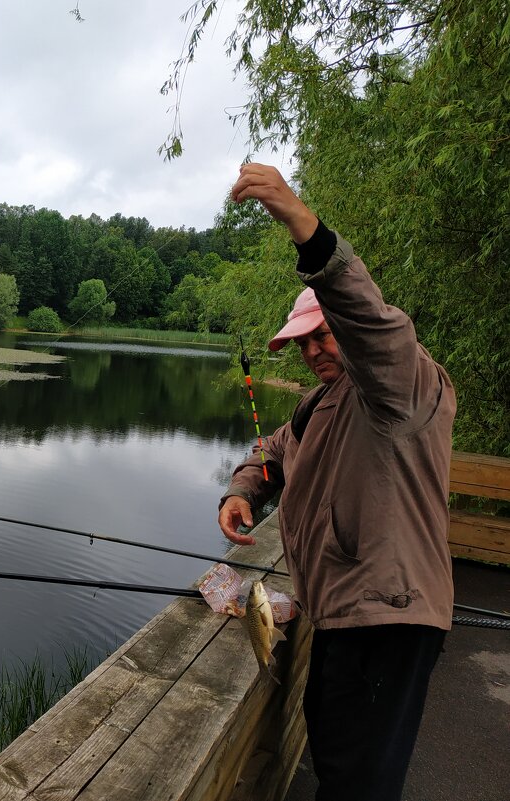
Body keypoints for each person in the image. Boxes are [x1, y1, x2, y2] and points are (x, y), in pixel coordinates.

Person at [217, 164, 456, 801]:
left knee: (361, 783)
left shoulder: (400, 388)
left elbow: (374, 322)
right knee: (332, 755)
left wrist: (303, 225)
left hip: (390, 620)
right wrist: (245, 490)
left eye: (324, 335)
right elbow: (274, 451)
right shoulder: (320, 404)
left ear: (345, 330)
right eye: (303, 343)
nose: (315, 351)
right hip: (340, 618)